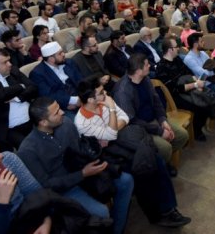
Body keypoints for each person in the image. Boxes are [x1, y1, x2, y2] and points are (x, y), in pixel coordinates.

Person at [75, 76, 191, 227]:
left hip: (122, 142)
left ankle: (168, 209)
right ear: (90, 100)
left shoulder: (104, 102)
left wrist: (112, 130)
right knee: (143, 167)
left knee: (156, 160)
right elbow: (111, 133)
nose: (105, 94)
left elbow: (124, 118)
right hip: (108, 156)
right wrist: (111, 112)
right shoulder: (82, 121)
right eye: (101, 92)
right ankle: (157, 215)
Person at [17, 97, 134, 234]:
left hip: (85, 172)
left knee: (126, 181)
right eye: (56, 112)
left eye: (59, 108)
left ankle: (116, 229)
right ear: (43, 122)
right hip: (66, 188)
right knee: (101, 212)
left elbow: (79, 151)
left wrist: (93, 152)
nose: (62, 112)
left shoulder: (66, 123)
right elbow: (47, 185)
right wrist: (83, 174)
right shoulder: (28, 150)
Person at [112, 53, 189, 169]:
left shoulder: (145, 79)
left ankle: (162, 161)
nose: (150, 66)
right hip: (140, 128)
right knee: (165, 148)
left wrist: (163, 120)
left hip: (154, 120)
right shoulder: (122, 91)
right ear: (138, 71)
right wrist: (159, 131)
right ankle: (162, 164)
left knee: (182, 135)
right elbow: (132, 120)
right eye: (147, 65)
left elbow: (156, 101)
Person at [155, 37, 215, 141]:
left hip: (188, 88)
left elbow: (189, 72)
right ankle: (197, 131)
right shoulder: (161, 67)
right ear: (170, 49)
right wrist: (195, 86)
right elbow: (174, 89)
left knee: (211, 98)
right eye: (176, 47)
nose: (179, 48)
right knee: (201, 105)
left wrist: (196, 81)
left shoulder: (177, 59)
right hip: (175, 97)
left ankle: (200, 124)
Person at [29, 42, 83, 118]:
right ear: (51, 59)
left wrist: (83, 97)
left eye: (62, 52)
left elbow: (81, 81)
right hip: (62, 108)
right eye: (60, 53)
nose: (64, 54)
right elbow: (47, 96)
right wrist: (72, 101)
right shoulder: (37, 74)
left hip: (82, 99)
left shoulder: (69, 62)